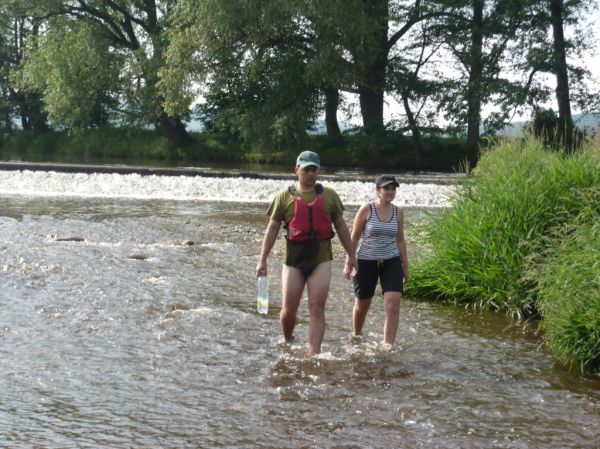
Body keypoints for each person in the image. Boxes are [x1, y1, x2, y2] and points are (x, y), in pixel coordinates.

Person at [256, 150, 357, 355]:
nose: (310, 174)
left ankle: (314, 352)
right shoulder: (283, 196)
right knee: (288, 310)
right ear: (297, 169)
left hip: (321, 260)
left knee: (317, 308)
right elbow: (273, 229)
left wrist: (351, 255)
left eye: (314, 170)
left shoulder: (329, 196)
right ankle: (287, 339)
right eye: (306, 169)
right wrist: (262, 259)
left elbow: (342, 227)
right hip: (293, 261)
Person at [344, 175, 409, 345]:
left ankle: (388, 345)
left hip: (391, 261)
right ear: (378, 190)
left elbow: (400, 240)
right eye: (386, 188)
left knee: (393, 303)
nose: (390, 192)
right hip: (365, 262)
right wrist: (349, 262)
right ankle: (357, 335)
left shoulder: (398, 211)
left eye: (393, 188)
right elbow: (354, 237)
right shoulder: (367, 209)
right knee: (363, 304)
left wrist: (406, 267)